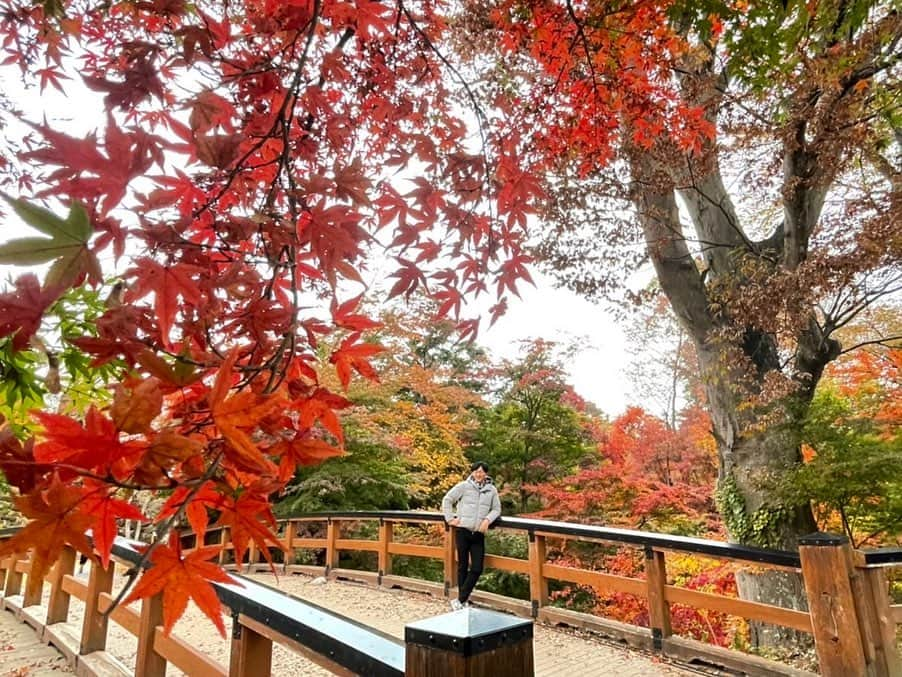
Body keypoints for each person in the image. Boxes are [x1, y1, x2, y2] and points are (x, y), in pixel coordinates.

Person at [441, 461, 501, 610]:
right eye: (476, 471)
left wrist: (487, 520)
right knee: (462, 566)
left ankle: (460, 600)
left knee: (477, 568)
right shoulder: (464, 486)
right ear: (472, 472)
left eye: (481, 472)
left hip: (478, 533)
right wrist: (449, 519)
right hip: (463, 531)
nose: (479, 474)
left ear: (486, 473)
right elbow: (447, 500)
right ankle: (463, 601)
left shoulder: (491, 490)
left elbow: (496, 509)